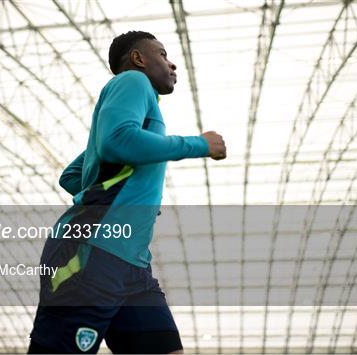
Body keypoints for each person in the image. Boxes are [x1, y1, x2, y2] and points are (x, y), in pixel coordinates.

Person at [28, 30, 226, 354]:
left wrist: (117, 187)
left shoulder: (144, 109)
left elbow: (72, 177)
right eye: (162, 54)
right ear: (138, 59)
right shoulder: (133, 82)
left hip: (132, 266)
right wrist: (199, 144)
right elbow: (117, 140)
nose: (172, 63)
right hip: (92, 253)